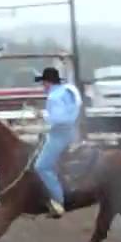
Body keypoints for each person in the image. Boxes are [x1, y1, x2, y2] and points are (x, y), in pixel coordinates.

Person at [32, 66, 82, 217]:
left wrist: (43, 116)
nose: (43, 87)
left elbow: (60, 119)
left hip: (60, 134)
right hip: (72, 132)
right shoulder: (67, 91)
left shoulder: (53, 97)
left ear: (48, 82)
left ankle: (58, 202)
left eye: (43, 83)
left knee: (41, 166)